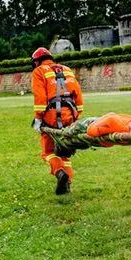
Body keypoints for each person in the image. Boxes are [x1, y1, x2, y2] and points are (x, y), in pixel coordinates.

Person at [30, 47, 84, 195]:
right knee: (64, 151)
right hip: (70, 115)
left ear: (36, 62)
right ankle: (68, 183)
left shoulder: (39, 71)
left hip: (51, 116)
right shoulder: (66, 69)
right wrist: (76, 115)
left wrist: (38, 118)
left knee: (47, 152)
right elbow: (78, 93)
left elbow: (40, 98)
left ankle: (60, 172)